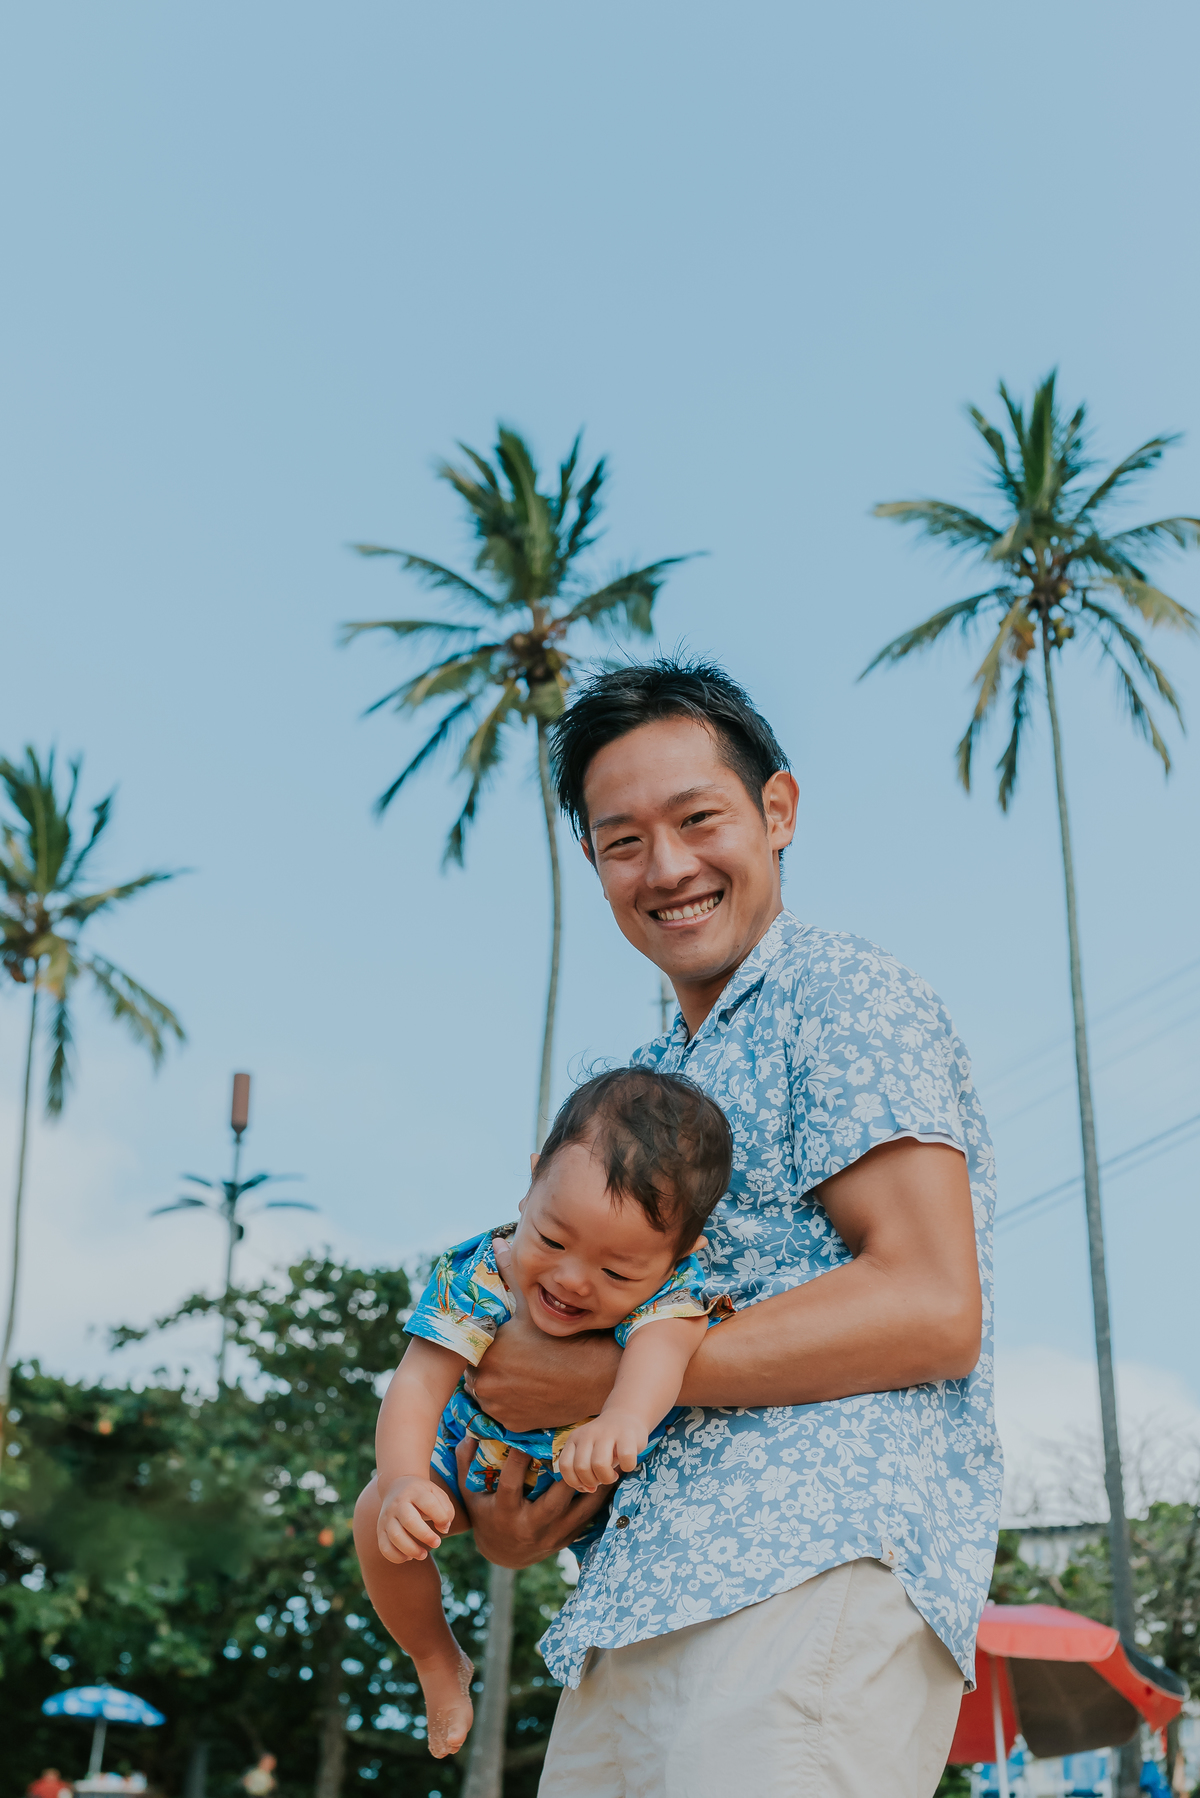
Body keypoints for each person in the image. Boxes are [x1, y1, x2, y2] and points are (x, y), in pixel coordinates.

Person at [450, 657, 1002, 1797]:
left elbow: (931, 1306)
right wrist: (527, 1513)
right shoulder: (646, 1086)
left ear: (778, 811)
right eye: (621, 840)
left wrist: (606, 1376)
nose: (668, 867)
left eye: (697, 818)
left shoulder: (840, 996)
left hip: (810, 1572)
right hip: (636, 1604)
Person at [354, 1067, 734, 1759]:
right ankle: (437, 1659)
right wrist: (407, 1482)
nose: (570, 1280)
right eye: (554, 1240)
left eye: (618, 1274)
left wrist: (621, 1421)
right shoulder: (480, 1273)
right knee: (373, 1511)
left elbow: (663, 1353)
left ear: (682, 1254)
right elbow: (417, 1383)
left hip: (595, 1486)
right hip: (472, 1450)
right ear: (530, 1187)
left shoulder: (677, 1288)